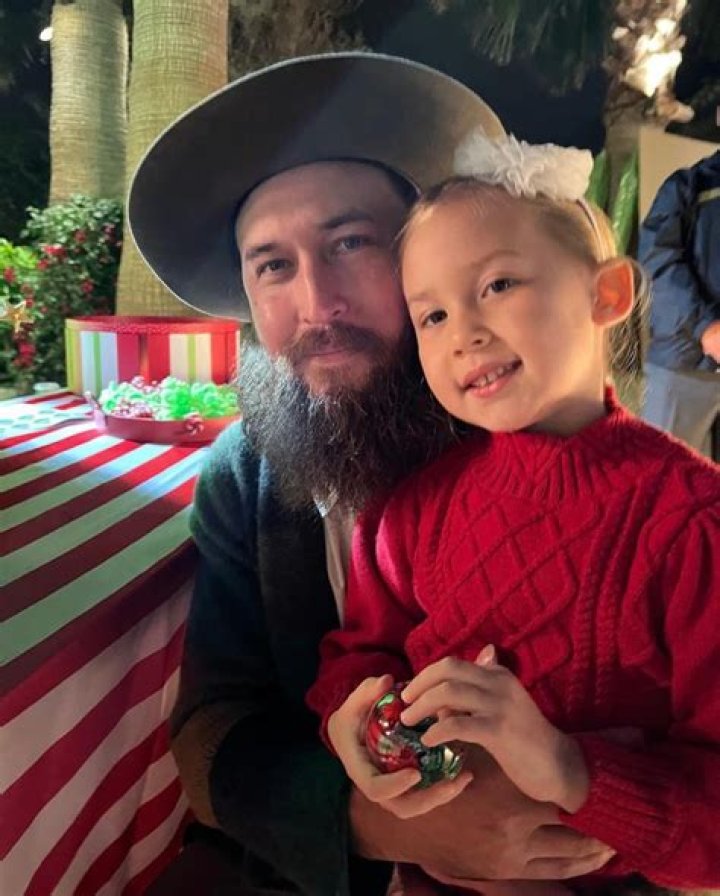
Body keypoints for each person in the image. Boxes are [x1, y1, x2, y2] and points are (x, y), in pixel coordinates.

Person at [129, 55, 614, 896]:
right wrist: (373, 822)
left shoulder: (571, 451)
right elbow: (214, 730)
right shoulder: (244, 475)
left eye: (351, 243)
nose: (318, 304)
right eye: (272, 265)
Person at [307, 132, 720, 893]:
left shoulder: (692, 523)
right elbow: (361, 657)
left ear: (607, 295)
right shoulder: (408, 512)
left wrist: (570, 767)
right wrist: (354, 720)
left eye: (497, 284)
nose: (464, 333)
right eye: (431, 315)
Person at [639, 148, 720, 460]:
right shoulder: (688, 187)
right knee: (662, 471)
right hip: (684, 366)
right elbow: (656, 263)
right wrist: (705, 327)